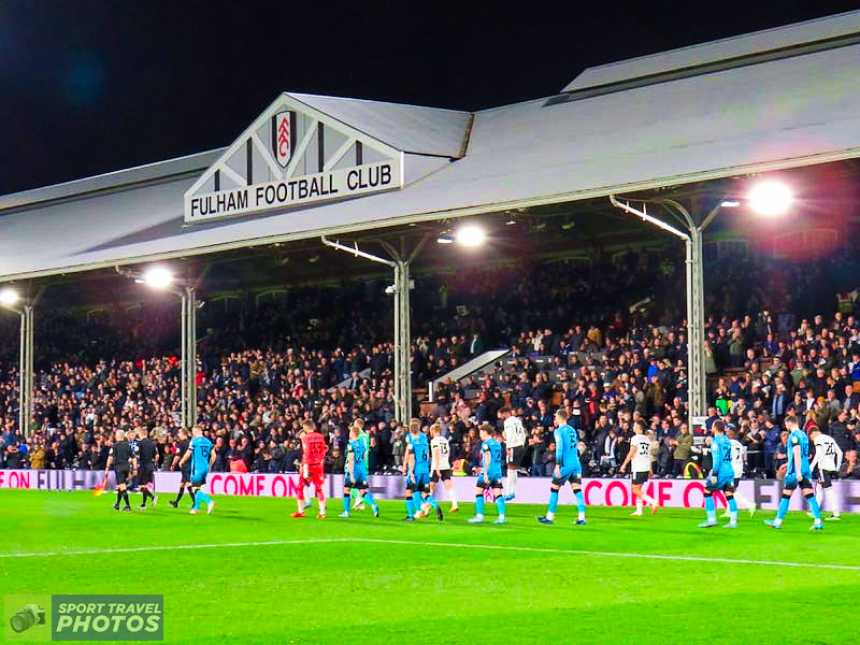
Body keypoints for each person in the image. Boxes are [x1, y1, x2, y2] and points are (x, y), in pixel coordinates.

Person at [765, 416, 823, 530]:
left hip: (795, 471)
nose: (786, 427)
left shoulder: (794, 436)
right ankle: (818, 521)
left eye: (786, 424)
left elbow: (796, 453)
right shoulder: (804, 435)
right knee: (810, 495)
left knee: (786, 496)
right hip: (805, 468)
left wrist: (797, 472)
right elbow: (803, 454)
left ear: (789, 423)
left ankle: (777, 522)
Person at [537, 410, 587, 526]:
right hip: (576, 463)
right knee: (577, 490)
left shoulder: (559, 431)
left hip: (565, 464)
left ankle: (550, 517)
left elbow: (559, 448)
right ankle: (582, 517)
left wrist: (558, 465)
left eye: (555, 417)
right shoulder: (572, 430)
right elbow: (578, 446)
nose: (555, 419)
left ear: (559, 417)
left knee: (554, 488)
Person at [699, 420, 739, 528]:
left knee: (707, 492)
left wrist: (714, 474)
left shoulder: (716, 442)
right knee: (729, 495)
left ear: (715, 428)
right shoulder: (727, 440)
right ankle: (733, 522)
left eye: (712, 426)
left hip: (720, 471)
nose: (711, 428)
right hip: (729, 470)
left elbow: (716, 460)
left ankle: (711, 520)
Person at [468, 424, 506, 524]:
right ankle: (502, 517)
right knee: (497, 493)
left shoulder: (486, 444)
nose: (480, 434)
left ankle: (480, 516)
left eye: (481, 432)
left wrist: (485, 473)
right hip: (497, 471)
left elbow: (488, 457)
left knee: (478, 491)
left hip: (488, 471)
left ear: (485, 432)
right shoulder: (497, 443)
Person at [406, 420, 443, 521]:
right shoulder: (425, 441)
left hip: (417, 469)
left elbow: (412, 458)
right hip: (425, 469)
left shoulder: (412, 443)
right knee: (425, 493)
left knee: (414, 491)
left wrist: (410, 471)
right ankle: (435, 505)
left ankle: (418, 511)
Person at [619, 421, 657, 516]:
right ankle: (639, 510)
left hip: (638, 466)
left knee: (635, 489)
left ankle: (653, 502)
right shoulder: (647, 440)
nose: (633, 426)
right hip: (645, 466)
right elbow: (649, 455)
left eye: (635, 425)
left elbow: (631, 452)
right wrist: (650, 469)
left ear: (639, 428)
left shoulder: (635, 438)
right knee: (639, 489)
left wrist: (624, 464)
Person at [339, 425, 379, 518]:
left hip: (354, 468)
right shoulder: (362, 443)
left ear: (352, 433)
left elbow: (351, 459)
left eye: (350, 432)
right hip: (362, 468)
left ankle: (346, 512)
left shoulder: (350, 444)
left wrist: (352, 474)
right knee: (362, 490)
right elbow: (365, 456)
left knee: (347, 489)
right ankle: (373, 505)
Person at [292, 420, 328, 519]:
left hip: (308, 464)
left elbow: (307, 452)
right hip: (318, 465)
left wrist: (305, 467)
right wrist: (320, 460)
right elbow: (325, 449)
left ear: (305, 427)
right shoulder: (321, 436)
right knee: (319, 489)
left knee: (300, 487)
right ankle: (322, 513)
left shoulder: (305, 438)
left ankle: (300, 511)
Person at [179, 426, 216, 515]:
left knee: (194, 488)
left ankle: (209, 501)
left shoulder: (194, 441)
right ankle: (196, 508)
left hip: (197, 468)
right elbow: (214, 455)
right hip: (205, 468)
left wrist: (182, 461)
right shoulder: (208, 442)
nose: (192, 434)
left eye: (193, 432)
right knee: (199, 488)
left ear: (196, 431)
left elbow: (188, 453)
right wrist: (209, 465)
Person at [809, 427, 843, 521]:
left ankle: (836, 514)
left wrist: (811, 466)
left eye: (811, 437)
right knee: (819, 488)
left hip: (823, 468)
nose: (812, 440)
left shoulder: (818, 439)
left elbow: (819, 454)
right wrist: (837, 467)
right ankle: (815, 511)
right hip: (831, 467)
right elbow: (840, 452)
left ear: (813, 433)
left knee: (828, 490)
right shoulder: (829, 438)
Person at [724, 428, 756, 517]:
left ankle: (749, 504)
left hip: (731, 469)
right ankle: (728, 511)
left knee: (729, 491)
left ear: (731, 435)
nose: (726, 435)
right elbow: (742, 457)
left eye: (728, 434)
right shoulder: (739, 444)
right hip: (738, 469)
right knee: (730, 490)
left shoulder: (728, 444)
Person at [429, 423, 458, 513]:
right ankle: (454, 504)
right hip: (446, 465)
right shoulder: (445, 440)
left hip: (437, 466)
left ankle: (427, 507)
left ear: (434, 431)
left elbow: (437, 453)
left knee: (431, 486)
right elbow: (448, 453)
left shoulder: (434, 441)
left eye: (431, 431)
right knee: (448, 485)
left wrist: (437, 468)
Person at [500, 407, 526, 501]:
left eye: (501, 414)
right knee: (513, 469)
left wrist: (507, 445)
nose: (501, 417)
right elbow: (523, 433)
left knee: (510, 470)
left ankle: (509, 492)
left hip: (513, 446)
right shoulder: (518, 420)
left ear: (505, 413)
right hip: (520, 446)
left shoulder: (507, 422)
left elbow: (510, 435)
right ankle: (511, 492)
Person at [104, 429, 134, 512]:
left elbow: (110, 457)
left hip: (119, 468)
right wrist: (134, 468)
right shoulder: (128, 445)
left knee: (122, 487)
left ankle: (128, 506)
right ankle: (117, 504)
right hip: (126, 467)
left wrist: (107, 468)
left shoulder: (115, 445)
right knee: (120, 487)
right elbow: (133, 457)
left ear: (118, 436)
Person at [169, 428, 194, 508]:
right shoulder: (191, 442)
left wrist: (173, 464)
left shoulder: (181, 443)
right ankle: (176, 502)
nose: (178, 435)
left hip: (185, 465)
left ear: (183, 433)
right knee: (182, 484)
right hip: (191, 464)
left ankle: (195, 502)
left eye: (179, 433)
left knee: (188, 483)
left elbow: (177, 455)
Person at [135, 427, 159, 510]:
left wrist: (135, 465)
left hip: (143, 466)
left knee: (141, 487)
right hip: (150, 466)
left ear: (140, 433)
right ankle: (144, 504)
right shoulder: (152, 443)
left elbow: (137, 455)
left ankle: (152, 497)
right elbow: (157, 456)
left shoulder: (140, 443)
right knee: (144, 486)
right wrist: (154, 463)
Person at [351, 419, 371, 511]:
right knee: (360, 484)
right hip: (365, 462)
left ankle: (359, 499)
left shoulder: (358, 436)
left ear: (357, 425)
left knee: (352, 483)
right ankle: (360, 503)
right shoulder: (366, 436)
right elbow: (366, 450)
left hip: (358, 462)